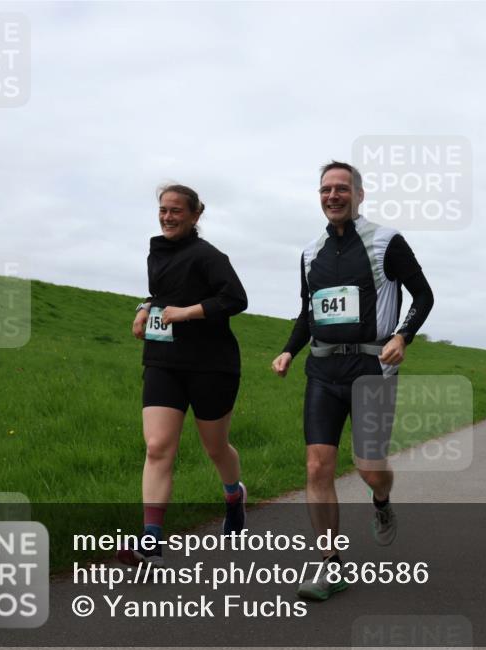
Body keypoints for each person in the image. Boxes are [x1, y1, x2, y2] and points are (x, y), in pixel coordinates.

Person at [271, 161, 434, 601]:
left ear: (359, 195)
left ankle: (381, 502)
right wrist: (289, 348)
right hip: (323, 371)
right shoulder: (309, 253)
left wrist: (403, 334)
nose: (333, 195)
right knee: (316, 466)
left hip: (371, 369)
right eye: (326, 189)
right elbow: (309, 311)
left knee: (368, 468)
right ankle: (329, 565)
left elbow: (424, 294)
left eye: (342, 188)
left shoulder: (385, 241)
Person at [120, 184, 249, 567]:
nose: (167, 216)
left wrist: (186, 312)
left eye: (176, 211)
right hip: (163, 360)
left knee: (215, 448)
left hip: (211, 364)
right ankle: (151, 542)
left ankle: (233, 495)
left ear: (195, 216)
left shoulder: (209, 256)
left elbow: (235, 299)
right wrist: (146, 308)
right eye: (163, 209)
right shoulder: (156, 250)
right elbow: (161, 292)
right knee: (158, 447)